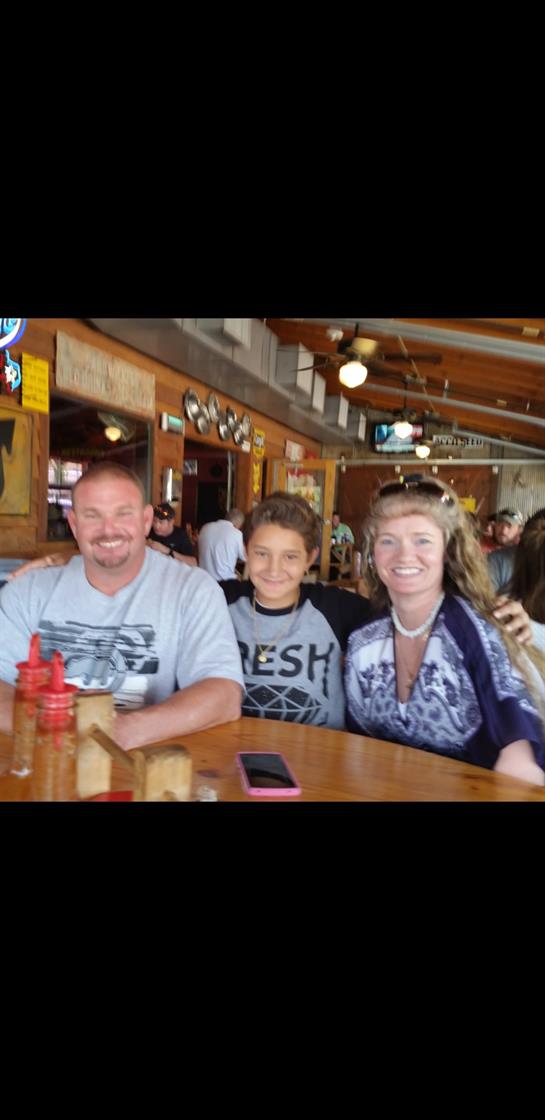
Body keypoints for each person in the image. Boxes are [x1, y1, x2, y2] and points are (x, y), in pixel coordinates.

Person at [0, 462, 243, 749]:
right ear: (74, 525)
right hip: (46, 757)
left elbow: (224, 694)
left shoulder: (194, 590)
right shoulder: (27, 591)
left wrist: (125, 730)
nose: (108, 530)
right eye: (93, 516)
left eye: (122, 513)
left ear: (146, 520)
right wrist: (58, 730)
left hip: (144, 758)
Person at [344, 479, 545, 785]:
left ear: (448, 551)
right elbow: (358, 748)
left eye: (422, 541)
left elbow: (520, 765)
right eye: (388, 541)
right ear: (372, 553)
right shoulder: (362, 641)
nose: (404, 555)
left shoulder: (481, 632)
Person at [219, 493, 371, 728]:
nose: (274, 570)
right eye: (262, 553)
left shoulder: (336, 607)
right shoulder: (219, 600)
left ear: (310, 558)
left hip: (318, 747)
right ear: (246, 551)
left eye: (290, 556)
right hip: (232, 744)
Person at [198, 509, 246, 580]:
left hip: (203, 578)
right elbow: (245, 558)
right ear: (238, 523)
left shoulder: (205, 527)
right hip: (224, 580)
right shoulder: (237, 533)